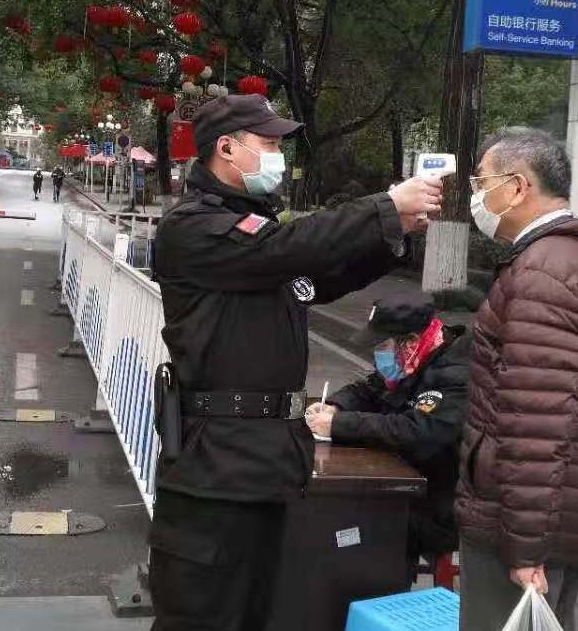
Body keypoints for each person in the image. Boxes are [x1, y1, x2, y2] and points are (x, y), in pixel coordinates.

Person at [149, 93, 442, 631]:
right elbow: (291, 248)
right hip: (216, 463)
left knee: (259, 611)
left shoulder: (257, 236)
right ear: (227, 148)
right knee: (202, 614)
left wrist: (393, 233)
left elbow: (320, 278)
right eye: (267, 143)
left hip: (267, 460)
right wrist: (383, 206)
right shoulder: (194, 227)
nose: (277, 155)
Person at [455, 128, 578, 630]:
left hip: (518, 527)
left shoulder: (542, 274)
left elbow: (536, 424)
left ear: (517, 187)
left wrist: (524, 547)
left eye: (482, 182)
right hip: (568, 520)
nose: (476, 195)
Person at [305, 291, 470, 572]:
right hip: (404, 483)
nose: (377, 355)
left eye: (382, 346)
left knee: (346, 525)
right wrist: (334, 406)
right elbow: (368, 389)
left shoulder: (455, 374)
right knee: (329, 510)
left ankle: (372, 589)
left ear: (410, 342)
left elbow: (416, 431)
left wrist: (339, 424)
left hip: (439, 502)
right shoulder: (412, 361)